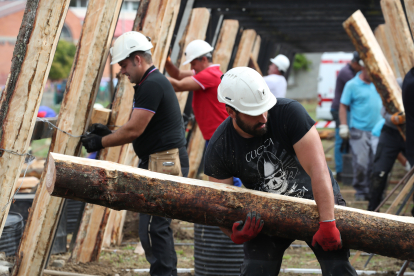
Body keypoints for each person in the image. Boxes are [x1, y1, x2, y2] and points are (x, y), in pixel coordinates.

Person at [204, 67, 357, 275]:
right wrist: (232, 231)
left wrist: (328, 221)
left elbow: (318, 169)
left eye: (264, 108)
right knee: (256, 268)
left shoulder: (290, 113)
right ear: (231, 111)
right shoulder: (220, 146)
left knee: (337, 266)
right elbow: (219, 204)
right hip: (266, 213)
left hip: (317, 201)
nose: (264, 117)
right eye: (254, 113)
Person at [81, 31, 188, 276]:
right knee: (155, 227)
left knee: (153, 228)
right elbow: (138, 127)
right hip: (161, 159)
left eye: (124, 64)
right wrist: (109, 132)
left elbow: (134, 129)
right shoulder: (150, 82)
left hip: (164, 161)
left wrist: (101, 141)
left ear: (138, 59)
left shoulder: (151, 84)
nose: (122, 71)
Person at [165, 40, 242, 187]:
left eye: (193, 64)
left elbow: (179, 85)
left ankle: (236, 203)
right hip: (216, 134)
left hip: (220, 134)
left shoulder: (210, 75)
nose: (192, 68)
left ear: (204, 60)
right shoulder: (207, 72)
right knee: (224, 171)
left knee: (227, 171)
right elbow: (179, 74)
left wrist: (150, 74)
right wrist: (168, 62)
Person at [339, 60, 382, 201]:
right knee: (361, 163)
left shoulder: (378, 83)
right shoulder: (352, 85)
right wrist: (344, 125)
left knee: (376, 163)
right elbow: (343, 105)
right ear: (363, 68)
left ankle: (373, 191)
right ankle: (361, 190)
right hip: (359, 130)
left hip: (378, 130)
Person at [331, 51, 362, 182]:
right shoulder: (347, 73)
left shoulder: (352, 71)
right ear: (355, 63)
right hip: (340, 110)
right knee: (341, 140)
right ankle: (340, 171)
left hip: (346, 110)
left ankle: (345, 169)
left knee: (346, 141)